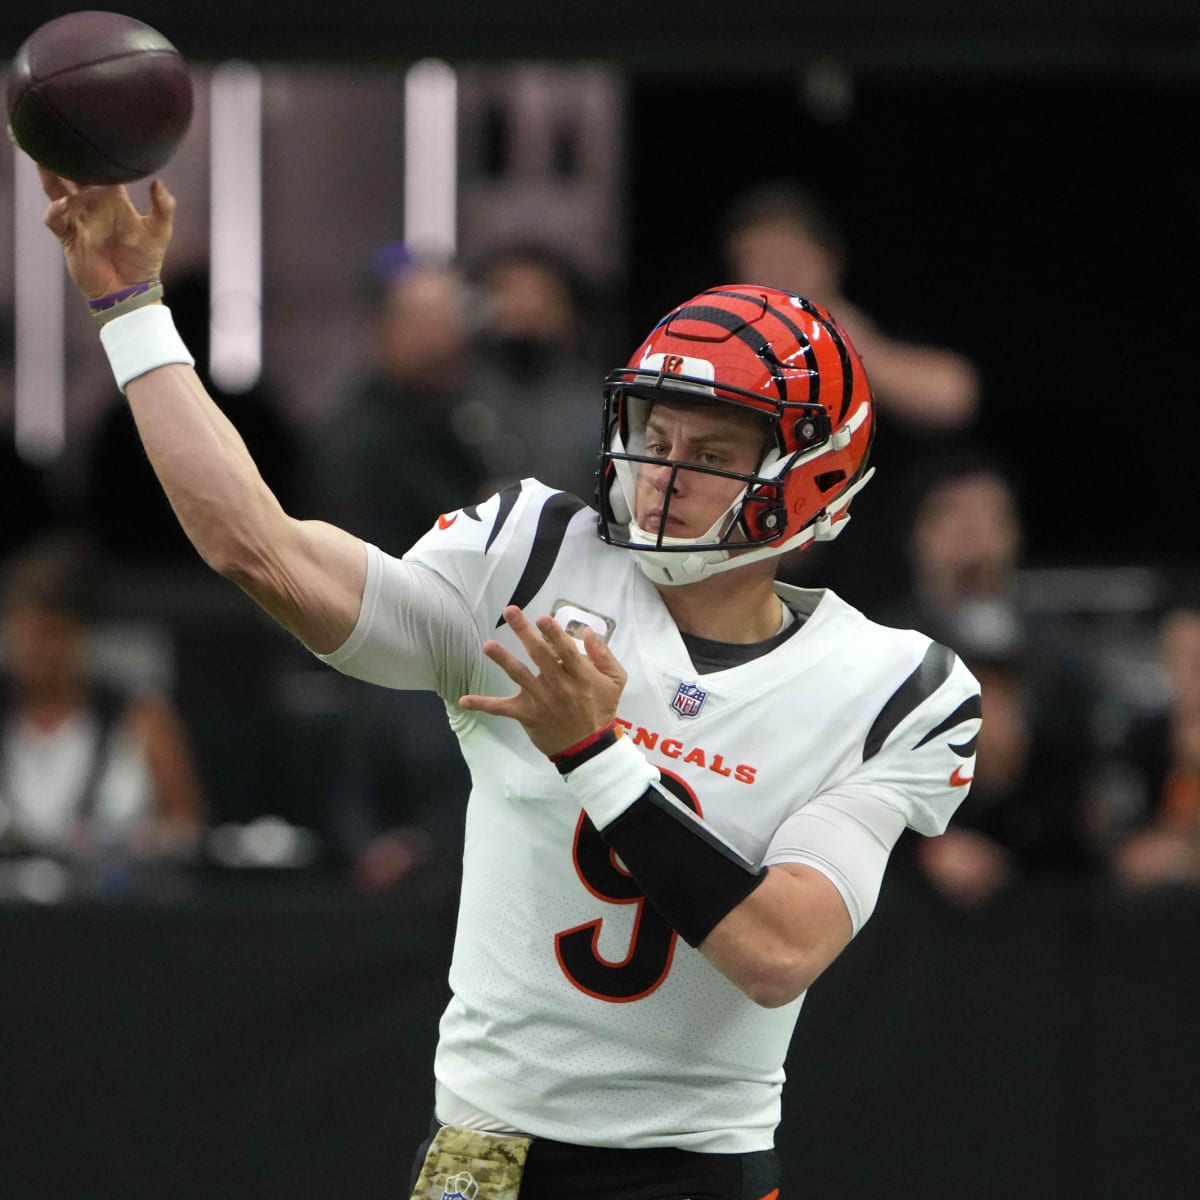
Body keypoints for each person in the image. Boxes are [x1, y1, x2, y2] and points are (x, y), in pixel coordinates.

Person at [37, 168, 981, 1200]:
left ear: (813, 480)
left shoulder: (895, 686)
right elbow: (258, 550)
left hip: (702, 1168)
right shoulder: (532, 554)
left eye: (709, 454)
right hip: (491, 1157)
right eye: (655, 439)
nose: (663, 475)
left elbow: (776, 952)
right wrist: (130, 312)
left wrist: (595, 753)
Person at [721, 182, 982, 610]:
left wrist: (843, 344)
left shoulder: (870, 342)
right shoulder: (730, 360)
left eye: (786, 258)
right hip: (776, 587)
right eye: (756, 261)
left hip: (886, 584)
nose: (773, 274)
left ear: (828, 260)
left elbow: (956, 396)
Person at [0, 531, 207, 878]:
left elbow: (189, 832)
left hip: (113, 915)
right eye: (25, 633)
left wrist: (136, 845)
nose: (37, 651)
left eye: (52, 634)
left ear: (81, 634)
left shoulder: (144, 721)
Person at [465, 242, 608, 500]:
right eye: (506, 292)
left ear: (570, 311)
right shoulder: (449, 396)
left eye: (539, 294)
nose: (523, 308)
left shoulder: (602, 410)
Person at [1098, 584, 1200, 890]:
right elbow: (1131, 857)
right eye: (1183, 659)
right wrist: (1187, 770)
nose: (1194, 675)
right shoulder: (1136, 741)